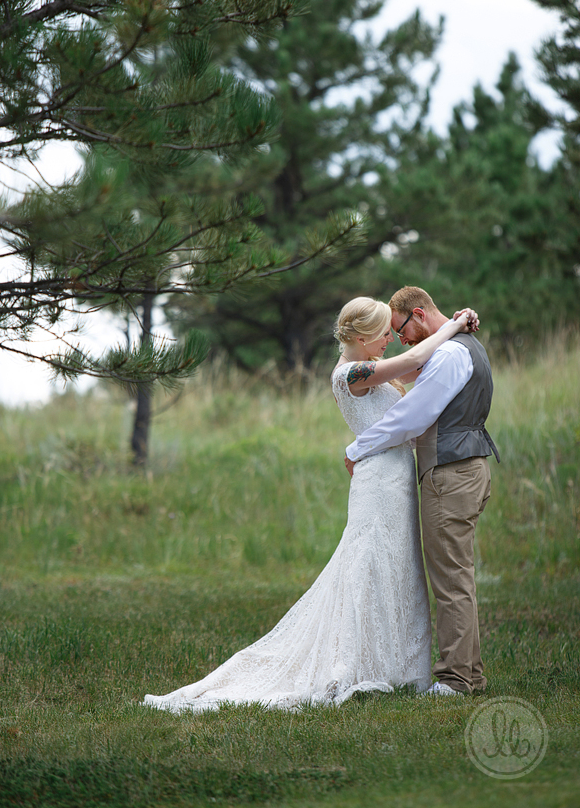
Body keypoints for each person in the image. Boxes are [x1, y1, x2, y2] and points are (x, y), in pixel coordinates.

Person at [142, 297, 477, 713]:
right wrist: (456, 324)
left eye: (392, 331)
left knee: (398, 569)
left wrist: (451, 329)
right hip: (377, 484)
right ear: (357, 337)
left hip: (399, 479)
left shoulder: (378, 369)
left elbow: (423, 365)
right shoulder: (350, 374)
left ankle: (399, 667)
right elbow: (418, 354)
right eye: (381, 332)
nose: (389, 337)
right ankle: (352, 662)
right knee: (367, 565)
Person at [345, 286, 499, 697]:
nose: (400, 339)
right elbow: (410, 368)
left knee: (450, 579)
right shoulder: (459, 345)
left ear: (417, 313)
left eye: (401, 329)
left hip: (451, 474)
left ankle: (455, 679)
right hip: (463, 467)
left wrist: (357, 448)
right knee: (457, 575)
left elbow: (413, 416)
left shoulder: (448, 355)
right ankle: (470, 674)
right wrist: (455, 323)